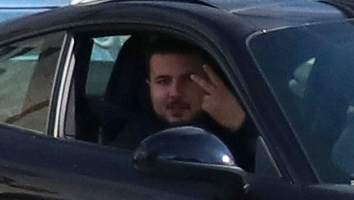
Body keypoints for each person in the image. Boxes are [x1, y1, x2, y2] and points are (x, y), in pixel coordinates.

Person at [110, 37, 258, 169]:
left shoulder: (238, 133)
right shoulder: (132, 143)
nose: (175, 93)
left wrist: (240, 124)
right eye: (163, 81)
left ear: (211, 83)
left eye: (188, 80)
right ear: (150, 87)